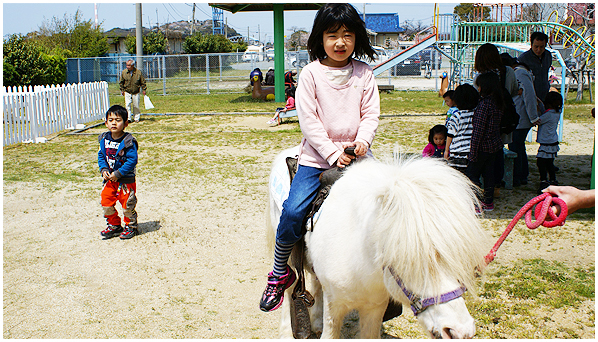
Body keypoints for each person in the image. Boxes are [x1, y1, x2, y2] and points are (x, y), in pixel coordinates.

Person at [259, 3, 379, 312]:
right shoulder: (311, 74)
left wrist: (363, 141)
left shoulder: (364, 73)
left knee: (387, 204)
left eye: (348, 35)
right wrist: (331, 152)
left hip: (357, 156)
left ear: (357, 38)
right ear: (320, 38)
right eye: (332, 35)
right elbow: (308, 120)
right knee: (293, 212)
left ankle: (384, 273)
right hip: (317, 157)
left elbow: (370, 115)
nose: (340, 42)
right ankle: (278, 272)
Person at [474, 43, 519, 196]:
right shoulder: (509, 72)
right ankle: (496, 187)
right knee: (498, 150)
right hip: (503, 119)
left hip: (485, 122)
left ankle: (484, 186)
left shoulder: (480, 78)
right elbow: (513, 92)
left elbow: (476, 98)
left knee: (483, 154)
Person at [98, 105, 139, 239]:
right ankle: (114, 225)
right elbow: (101, 156)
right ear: (106, 123)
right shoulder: (104, 139)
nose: (114, 123)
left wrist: (119, 173)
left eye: (118, 120)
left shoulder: (128, 141)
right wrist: (104, 169)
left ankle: (131, 226)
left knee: (127, 204)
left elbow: (132, 160)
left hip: (125, 181)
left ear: (126, 123)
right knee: (106, 202)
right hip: (110, 180)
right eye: (111, 120)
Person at [502, 54, 542, 187]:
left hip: (521, 118)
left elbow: (529, 95)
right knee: (518, 147)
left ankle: (518, 176)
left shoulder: (519, 73)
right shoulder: (519, 72)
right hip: (520, 117)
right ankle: (521, 175)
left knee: (516, 147)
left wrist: (533, 117)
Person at [467, 72, 504, 212]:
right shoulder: (497, 102)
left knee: (472, 175)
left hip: (482, 146)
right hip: (494, 145)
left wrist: (473, 152)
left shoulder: (484, 105)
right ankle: (488, 202)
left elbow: (478, 131)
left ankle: (475, 203)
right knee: (489, 175)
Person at [444, 83, 479, 173]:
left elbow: (450, 134)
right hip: (473, 153)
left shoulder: (456, 116)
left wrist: (446, 150)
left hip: (457, 154)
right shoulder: (477, 114)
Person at [536, 91, 562, 193]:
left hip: (546, 142)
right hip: (552, 141)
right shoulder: (556, 112)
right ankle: (553, 180)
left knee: (541, 162)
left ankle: (544, 181)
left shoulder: (548, 114)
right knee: (549, 163)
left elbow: (538, 120)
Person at [517, 31, 553, 103]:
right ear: (531, 45)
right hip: (530, 96)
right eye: (536, 47)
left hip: (544, 94)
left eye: (542, 47)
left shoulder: (548, 56)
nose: (538, 50)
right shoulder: (523, 59)